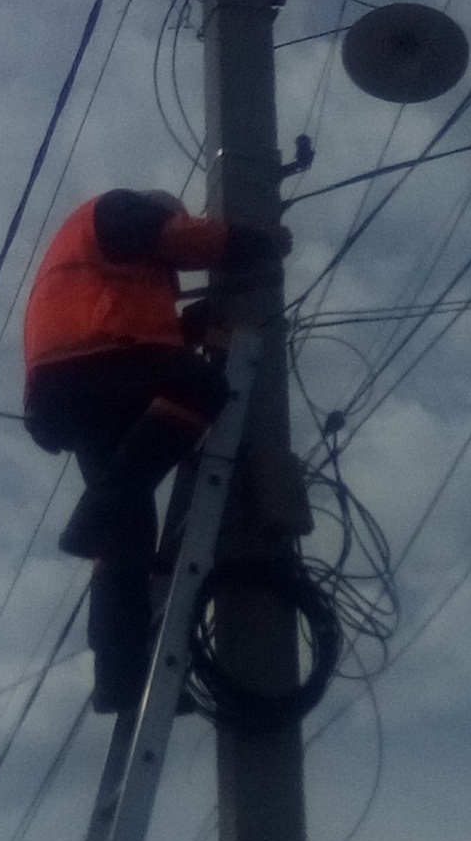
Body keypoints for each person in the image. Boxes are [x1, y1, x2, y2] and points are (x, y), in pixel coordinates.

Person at [23, 189, 288, 713]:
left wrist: (208, 315)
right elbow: (179, 239)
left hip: (76, 385)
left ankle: (119, 681)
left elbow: (154, 335)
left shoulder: (114, 274)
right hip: (92, 362)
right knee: (203, 388)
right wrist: (257, 242)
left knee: (127, 540)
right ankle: (95, 511)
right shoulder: (119, 208)